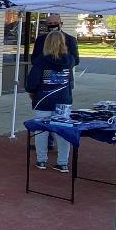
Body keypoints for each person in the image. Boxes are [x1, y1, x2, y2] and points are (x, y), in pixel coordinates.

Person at [25, 30, 75, 172]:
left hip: (43, 100)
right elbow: (70, 81)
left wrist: (32, 91)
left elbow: (32, 81)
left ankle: (41, 160)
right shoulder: (69, 60)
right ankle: (63, 162)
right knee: (63, 131)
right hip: (63, 100)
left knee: (42, 131)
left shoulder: (40, 61)